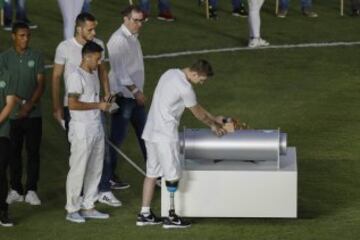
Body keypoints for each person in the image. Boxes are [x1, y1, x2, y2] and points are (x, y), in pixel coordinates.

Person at [137, 59, 227, 229]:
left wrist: (214, 117)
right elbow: (197, 113)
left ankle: (144, 214)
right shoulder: (186, 88)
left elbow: (195, 106)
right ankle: (171, 217)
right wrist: (214, 125)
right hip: (166, 136)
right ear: (195, 74)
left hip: (151, 133)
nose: (201, 83)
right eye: (202, 80)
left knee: (151, 173)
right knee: (172, 176)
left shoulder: (169, 73)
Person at [52, 13, 121, 207]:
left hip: (95, 118)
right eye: (90, 29)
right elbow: (61, 85)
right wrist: (57, 107)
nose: (94, 32)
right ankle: (73, 206)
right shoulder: (68, 57)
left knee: (96, 162)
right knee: (79, 163)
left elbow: (103, 73)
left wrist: (106, 96)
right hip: (79, 119)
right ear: (79, 28)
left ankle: (91, 201)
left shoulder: (94, 61)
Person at [65, 41, 111, 223]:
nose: (99, 63)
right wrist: (98, 105)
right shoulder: (75, 75)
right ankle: (72, 208)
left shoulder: (92, 74)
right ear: (87, 56)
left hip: (95, 126)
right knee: (78, 169)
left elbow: (89, 98)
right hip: (81, 128)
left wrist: (103, 100)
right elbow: (72, 103)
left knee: (95, 168)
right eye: (98, 59)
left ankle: (89, 205)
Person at [0, 22, 45, 206]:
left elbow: (41, 84)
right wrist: (21, 103)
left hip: (34, 115)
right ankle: (16, 189)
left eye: (28, 36)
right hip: (11, 116)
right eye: (22, 36)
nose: (25, 39)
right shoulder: (3, 58)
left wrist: (30, 105)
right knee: (13, 154)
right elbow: (4, 87)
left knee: (33, 152)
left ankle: (32, 189)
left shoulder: (37, 56)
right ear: (13, 36)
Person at [107, 5, 147, 191]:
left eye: (141, 20)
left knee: (147, 136)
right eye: (136, 20)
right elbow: (120, 72)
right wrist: (136, 91)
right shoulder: (117, 41)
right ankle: (108, 177)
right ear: (125, 19)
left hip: (132, 97)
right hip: (124, 98)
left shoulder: (132, 37)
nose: (139, 24)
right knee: (116, 139)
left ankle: (155, 175)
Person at [0, 68, 18, 227]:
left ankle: (2, 212)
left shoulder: (7, 75)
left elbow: (10, 103)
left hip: (2, 134)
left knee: (0, 173)